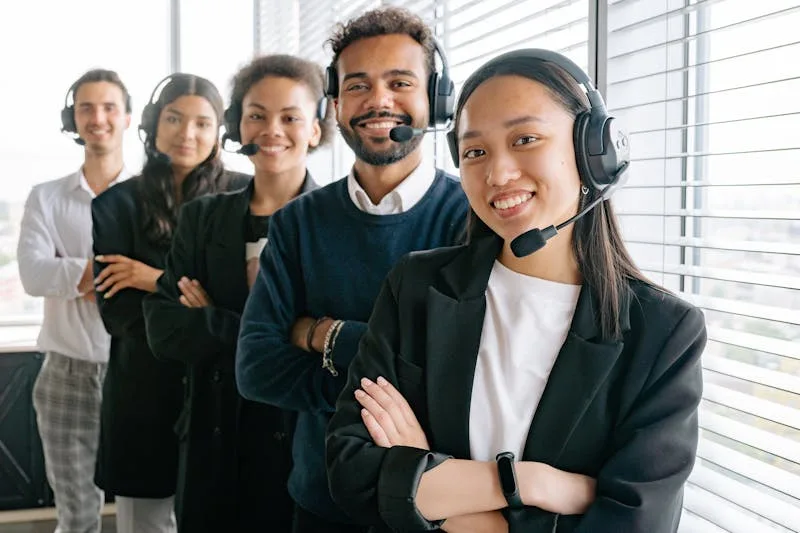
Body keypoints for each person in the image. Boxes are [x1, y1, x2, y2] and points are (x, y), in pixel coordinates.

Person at [326, 49, 707, 533]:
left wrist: (434, 487)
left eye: (525, 139)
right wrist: (532, 483)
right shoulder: (418, 287)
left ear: (594, 151)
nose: (498, 174)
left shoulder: (663, 333)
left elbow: (635, 524)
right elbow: (353, 471)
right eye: (475, 152)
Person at [235, 7, 469, 533]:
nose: (378, 100)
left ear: (434, 99)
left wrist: (322, 333)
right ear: (336, 106)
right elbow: (255, 368)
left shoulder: (472, 220)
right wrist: (394, 381)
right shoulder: (296, 222)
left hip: (432, 505)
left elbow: (456, 380)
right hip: (319, 503)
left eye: (400, 82)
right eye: (358, 85)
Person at [142, 54, 333, 533]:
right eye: (256, 115)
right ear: (237, 126)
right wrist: (285, 334)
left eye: (290, 117)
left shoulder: (338, 222)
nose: (272, 129)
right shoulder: (202, 218)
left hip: (300, 443)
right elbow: (164, 329)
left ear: (315, 129)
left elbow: (338, 345)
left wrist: (215, 319)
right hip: (212, 437)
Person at [91, 73, 249, 533]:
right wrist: (202, 310)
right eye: (174, 119)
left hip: (224, 392)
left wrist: (154, 279)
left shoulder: (247, 195)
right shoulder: (115, 204)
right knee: (143, 524)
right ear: (153, 126)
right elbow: (119, 314)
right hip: (142, 390)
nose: (187, 133)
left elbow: (250, 312)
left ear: (220, 131)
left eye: (203, 122)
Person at [17, 68, 131, 533]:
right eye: (86, 107)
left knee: (148, 509)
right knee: (77, 515)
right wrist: (115, 271)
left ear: (127, 118)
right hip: (65, 371)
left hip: (139, 370)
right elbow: (32, 273)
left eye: (108, 107)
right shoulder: (46, 198)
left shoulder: (151, 196)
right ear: (73, 117)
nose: (97, 117)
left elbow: (163, 280)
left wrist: (73, 269)